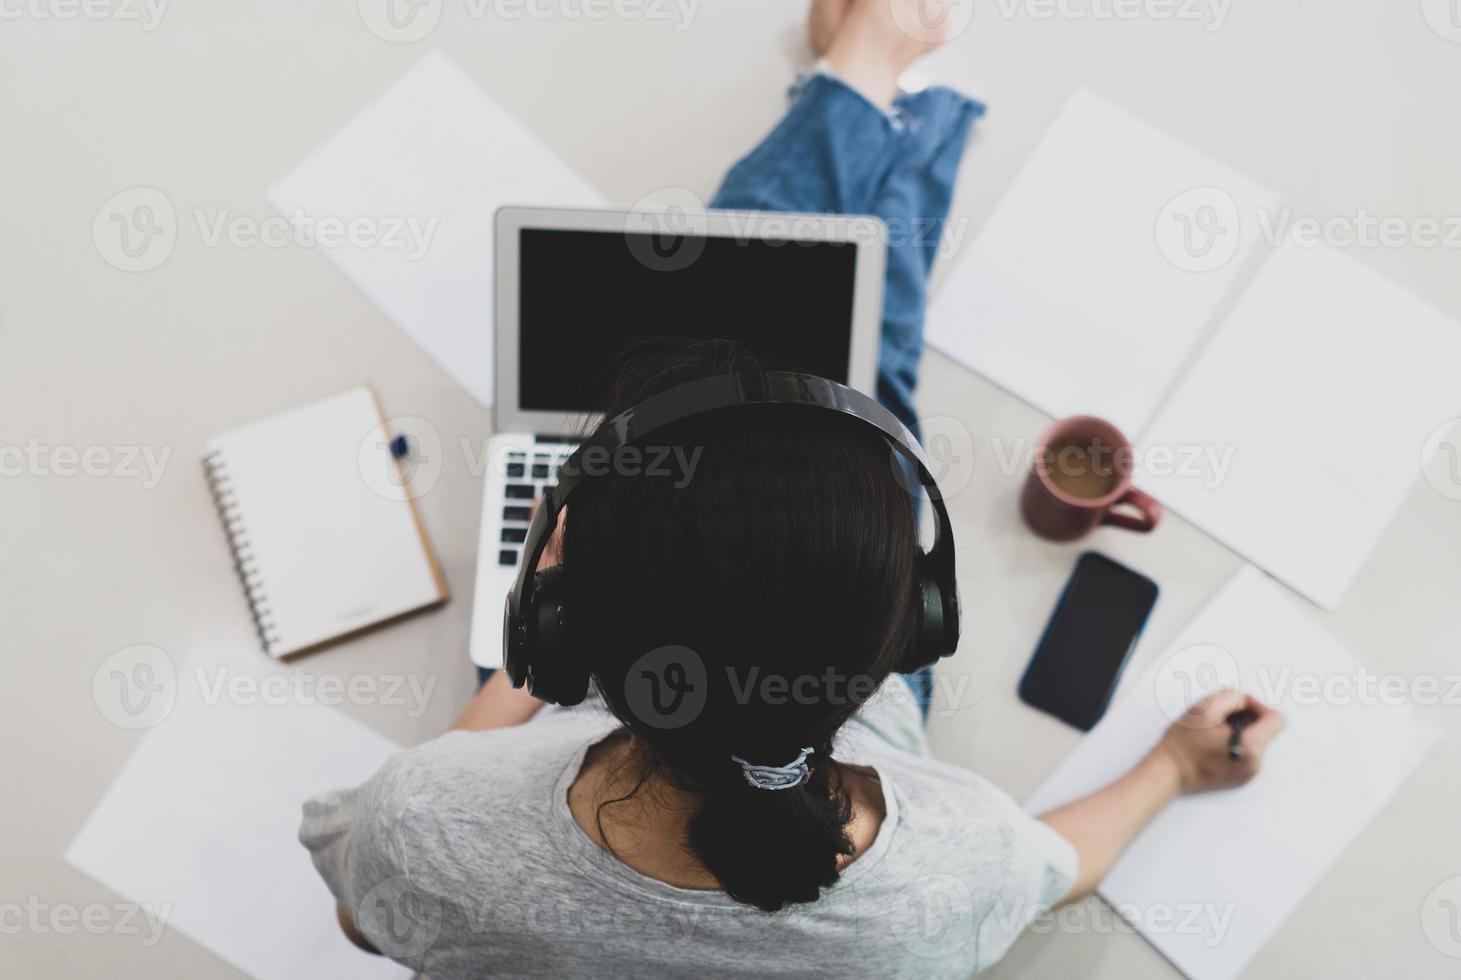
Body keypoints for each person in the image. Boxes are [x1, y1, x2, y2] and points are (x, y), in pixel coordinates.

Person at [300, 2, 1286, 977]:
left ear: (561, 617)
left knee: (788, 326)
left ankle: (860, 75)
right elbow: (1057, 865)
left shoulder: (432, 819)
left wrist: (513, 691)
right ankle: (867, 76)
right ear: (912, 628)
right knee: (853, 357)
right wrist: (1175, 767)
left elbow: (360, 922)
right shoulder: (952, 860)